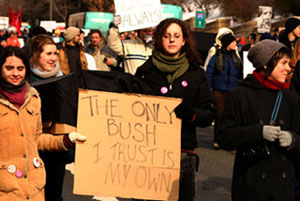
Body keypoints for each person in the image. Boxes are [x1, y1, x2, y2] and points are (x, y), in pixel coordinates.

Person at [135, 18, 215, 201]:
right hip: (148, 154)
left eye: (176, 36)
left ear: (184, 40)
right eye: (167, 36)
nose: (172, 40)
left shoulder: (196, 74)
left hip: (182, 154)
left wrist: (192, 113)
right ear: (159, 40)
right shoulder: (144, 72)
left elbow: (209, 114)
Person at [216, 39, 300, 201]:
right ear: (266, 64)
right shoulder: (240, 95)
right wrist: (257, 132)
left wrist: (292, 139)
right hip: (250, 185)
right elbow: (224, 136)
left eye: (288, 63)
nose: (288, 69)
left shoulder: (290, 99)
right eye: (283, 63)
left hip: (282, 188)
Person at [0, 46, 87, 201]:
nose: (15, 73)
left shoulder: (33, 98)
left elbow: (37, 139)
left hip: (34, 188)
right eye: (9, 68)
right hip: (6, 189)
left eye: (20, 68)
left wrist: (66, 140)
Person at [206, 32, 243, 149]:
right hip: (218, 91)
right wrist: (209, 89)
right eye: (233, 42)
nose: (235, 44)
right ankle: (217, 139)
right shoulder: (216, 57)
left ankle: (229, 140)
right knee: (220, 116)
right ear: (227, 44)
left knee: (232, 117)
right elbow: (209, 74)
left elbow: (240, 74)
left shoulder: (236, 58)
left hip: (233, 91)